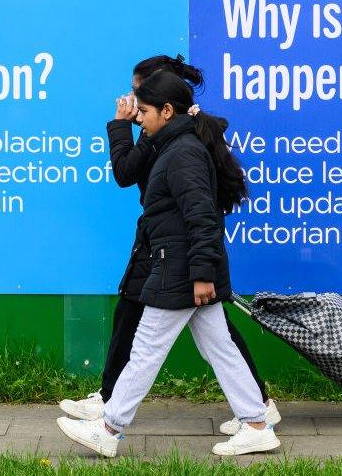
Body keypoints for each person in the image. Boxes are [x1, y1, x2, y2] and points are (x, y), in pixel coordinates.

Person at [56, 69, 280, 457]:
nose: (138, 118)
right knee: (221, 349)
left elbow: (203, 218)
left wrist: (202, 275)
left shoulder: (182, 154)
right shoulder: (175, 147)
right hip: (182, 267)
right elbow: (146, 185)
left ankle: (109, 430)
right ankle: (257, 423)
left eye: (143, 111)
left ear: (166, 110)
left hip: (180, 270)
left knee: (145, 350)